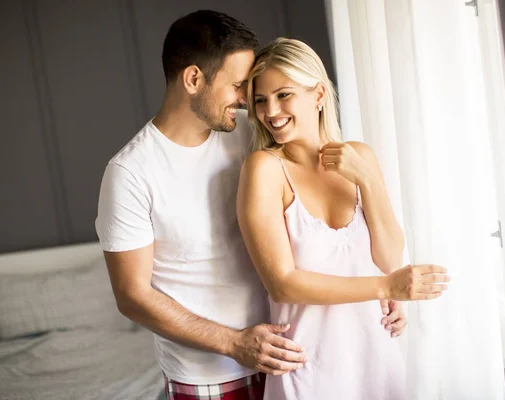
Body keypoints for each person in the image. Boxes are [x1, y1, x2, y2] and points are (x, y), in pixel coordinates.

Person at [95, 10, 407, 400]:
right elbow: (132, 296)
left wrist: (378, 288)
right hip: (212, 372)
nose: (250, 101)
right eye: (241, 87)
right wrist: (233, 343)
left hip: (296, 350)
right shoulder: (130, 173)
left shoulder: (249, 132)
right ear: (194, 79)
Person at [237, 38, 450, 399]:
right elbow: (283, 284)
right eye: (260, 100)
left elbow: (387, 260)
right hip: (307, 368)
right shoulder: (265, 169)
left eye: (283, 94)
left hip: (376, 359)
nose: (270, 111)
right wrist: (386, 288)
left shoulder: (360, 155)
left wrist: (366, 179)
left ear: (318, 94)